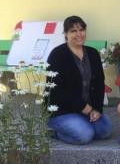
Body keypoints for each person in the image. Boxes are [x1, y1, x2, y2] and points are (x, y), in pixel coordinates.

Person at [46, 16, 112, 145]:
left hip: (87, 109)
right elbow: (56, 90)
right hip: (62, 111)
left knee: (105, 131)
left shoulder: (92, 53)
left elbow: (99, 83)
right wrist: (83, 107)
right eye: (73, 31)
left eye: (81, 30)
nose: (79, 34)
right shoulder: (57, 55)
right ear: (65, 34)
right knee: (84, 136)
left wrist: (97, 109)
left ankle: (80, 122)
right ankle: (56, 132)